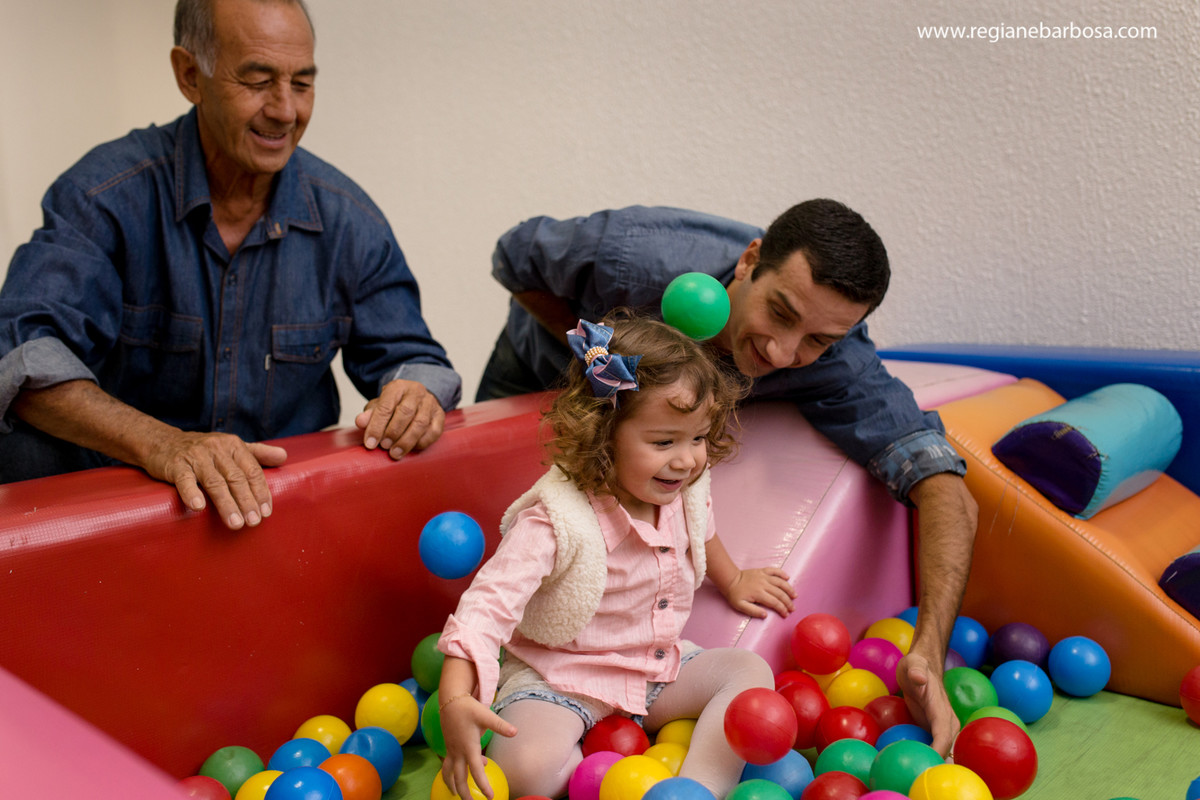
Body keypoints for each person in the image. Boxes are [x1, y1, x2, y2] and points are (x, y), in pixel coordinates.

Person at [476, 200, 979, 756]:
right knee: (512, 537)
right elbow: (513, 254)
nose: (783, 352)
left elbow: (942, 485)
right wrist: (598, 360)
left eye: (818, 340)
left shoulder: (839, 364)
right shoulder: (638, 255)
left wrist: (927, 654)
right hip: (537, 376)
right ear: (750, 261)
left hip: (641, 622)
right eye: (781, 313)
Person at [0, 0, 461, 530]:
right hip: (114, 528)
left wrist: (415, 395)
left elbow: (418, 361)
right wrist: (166, 445)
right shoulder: (102, 196)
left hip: (279, 524)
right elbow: (22, 357)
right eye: (258, 80)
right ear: (190, 74)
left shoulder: (348, 219)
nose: (286, 110)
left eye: (303, 83)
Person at [437, 314, 797, 800]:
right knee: (524, 770)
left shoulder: (683, 489)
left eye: (697, 439)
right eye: (663, 441)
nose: (687, 459)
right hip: (561, 678)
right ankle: (588, 772)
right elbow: (486, 609)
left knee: (749, 673)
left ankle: (697, 788)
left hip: (655, 668)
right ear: (603, 434)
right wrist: (456, 697)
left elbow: (702, 531)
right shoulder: (554, 521)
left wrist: (732, 580)